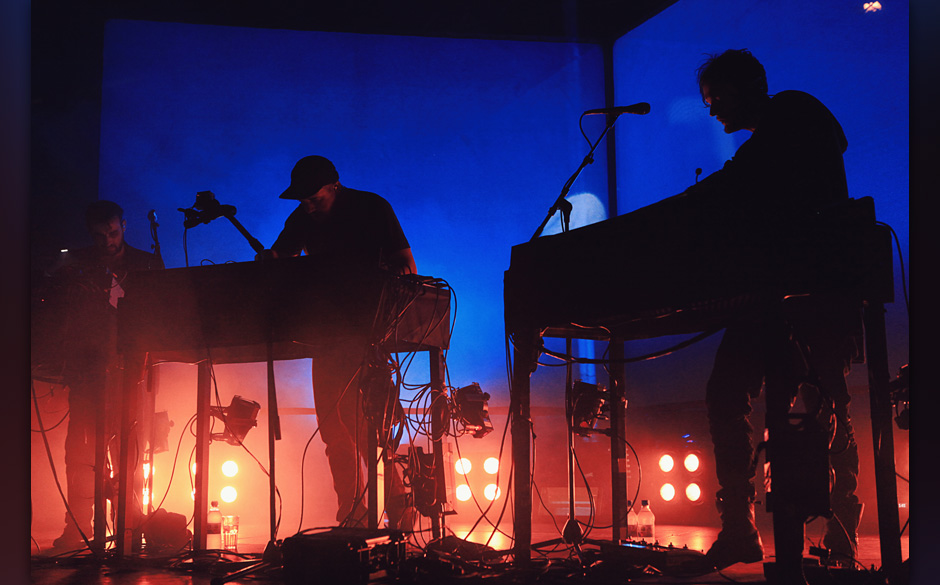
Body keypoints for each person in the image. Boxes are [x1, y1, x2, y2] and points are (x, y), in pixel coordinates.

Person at [674, 50, 863, 577]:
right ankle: (741, 526)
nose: (712, 113)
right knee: (740, 394)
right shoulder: (781, 131)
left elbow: (740, 184)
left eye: (715, 100)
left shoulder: (794, 116)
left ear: (745, 87)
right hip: (774, 293)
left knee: (824, 406)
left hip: (815, 292)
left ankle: (838, 536)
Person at [262, 155, 416, 529]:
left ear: (334, 186)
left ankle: (396, 498)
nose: (308, 205)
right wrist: (270, 259)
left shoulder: (372, 207)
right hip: (326, 334)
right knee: (333, 426)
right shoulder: (303, 217)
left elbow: (406, 266)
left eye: (315, 198)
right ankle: (353, 511)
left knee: (367, 423)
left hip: (369, 333)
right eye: (303, 200)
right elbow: (280, 256)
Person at [48, 200, 164, 550]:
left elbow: (161, 314)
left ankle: (127, 529)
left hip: (130, 370)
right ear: (91, 234)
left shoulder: (145, 263)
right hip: (87, 370)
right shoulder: (77, 265)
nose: (108, 242)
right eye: (100, 236)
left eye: (113, 233)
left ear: (124, 226)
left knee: (128, 452)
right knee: (79, 454)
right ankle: (78, 530)